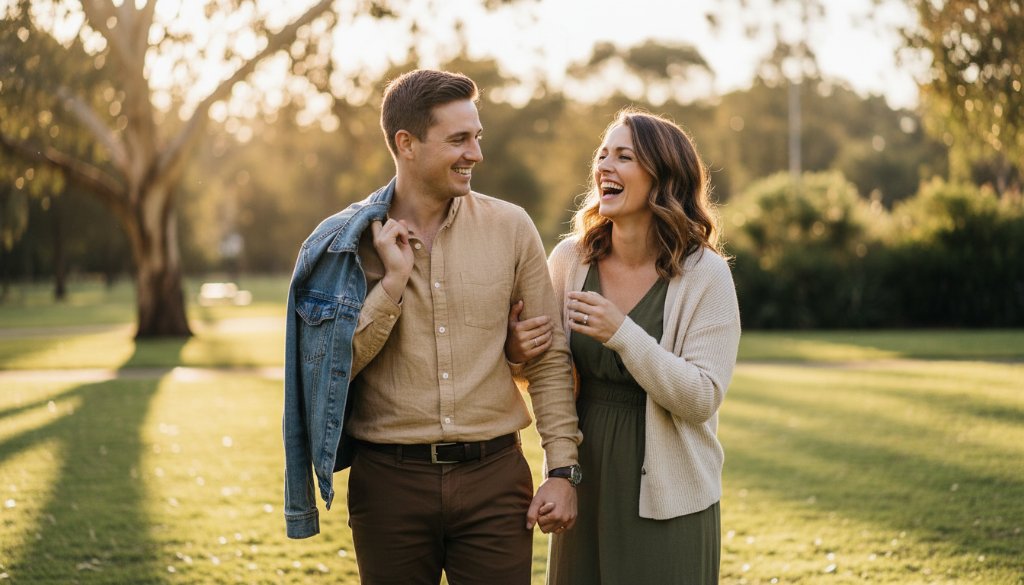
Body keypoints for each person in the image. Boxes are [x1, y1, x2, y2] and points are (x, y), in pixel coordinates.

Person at [282, 69, 582, 585]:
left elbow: (548, 359)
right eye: (458, 139)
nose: (476, 154)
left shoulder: (512, 229)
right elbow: (328, 373)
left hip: (494, 480)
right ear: (407, 143)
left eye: (477, 137)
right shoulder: (341, 244)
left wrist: (561, 472)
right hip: (390, 486)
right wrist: (391, 286)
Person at [506, 109, 741, 584]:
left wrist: (623, 334)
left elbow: (701, 398)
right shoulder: (569, 260)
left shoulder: (706, 274)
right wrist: (516, 351)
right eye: (602, 154)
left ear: (663, 176)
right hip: (583, 479)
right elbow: (545, 371)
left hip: (670, 497)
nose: (604, 167)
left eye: (624, 156)